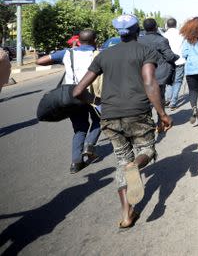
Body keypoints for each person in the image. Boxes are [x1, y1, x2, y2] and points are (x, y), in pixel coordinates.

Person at [72, 14, 172, 229]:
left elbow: (78, 91)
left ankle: (127, 216)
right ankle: (136, 165)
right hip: (137, 113)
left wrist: (96, 102)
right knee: (147, 150)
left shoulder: (104, 55)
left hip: (109, 116)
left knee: (122, 162)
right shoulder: (146, 51)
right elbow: (149, 82)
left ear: (119, 32)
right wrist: (162, 114)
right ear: (138, 31)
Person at [37, 29, 102, 173]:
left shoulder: (68, 53)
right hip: (91, 95)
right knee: (100, 120)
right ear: (95, 41)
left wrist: (61, 58)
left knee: (80, 128)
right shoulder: (99, 54)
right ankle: (89, 144)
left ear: (79, 41)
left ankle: (76, 163)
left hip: (72, 95)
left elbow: (40, 61)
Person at [138, 18, 179, 105]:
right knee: (160, 98)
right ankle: (161, 117)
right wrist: (177, 57)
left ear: (144, 28)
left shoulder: (139, 41)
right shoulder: (161, 40)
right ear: (156, 27)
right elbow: (170, 56)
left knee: (146, 99)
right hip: (159, 75)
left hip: (143, 74)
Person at [163, 18, 186, 110]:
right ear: (176, 25)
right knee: (178, 81)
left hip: (168, 61)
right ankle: (173, 102)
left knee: (169, 81)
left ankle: (168, 99)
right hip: (180, 60)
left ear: (167, 25)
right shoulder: (182, 34)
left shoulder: (164, 35)